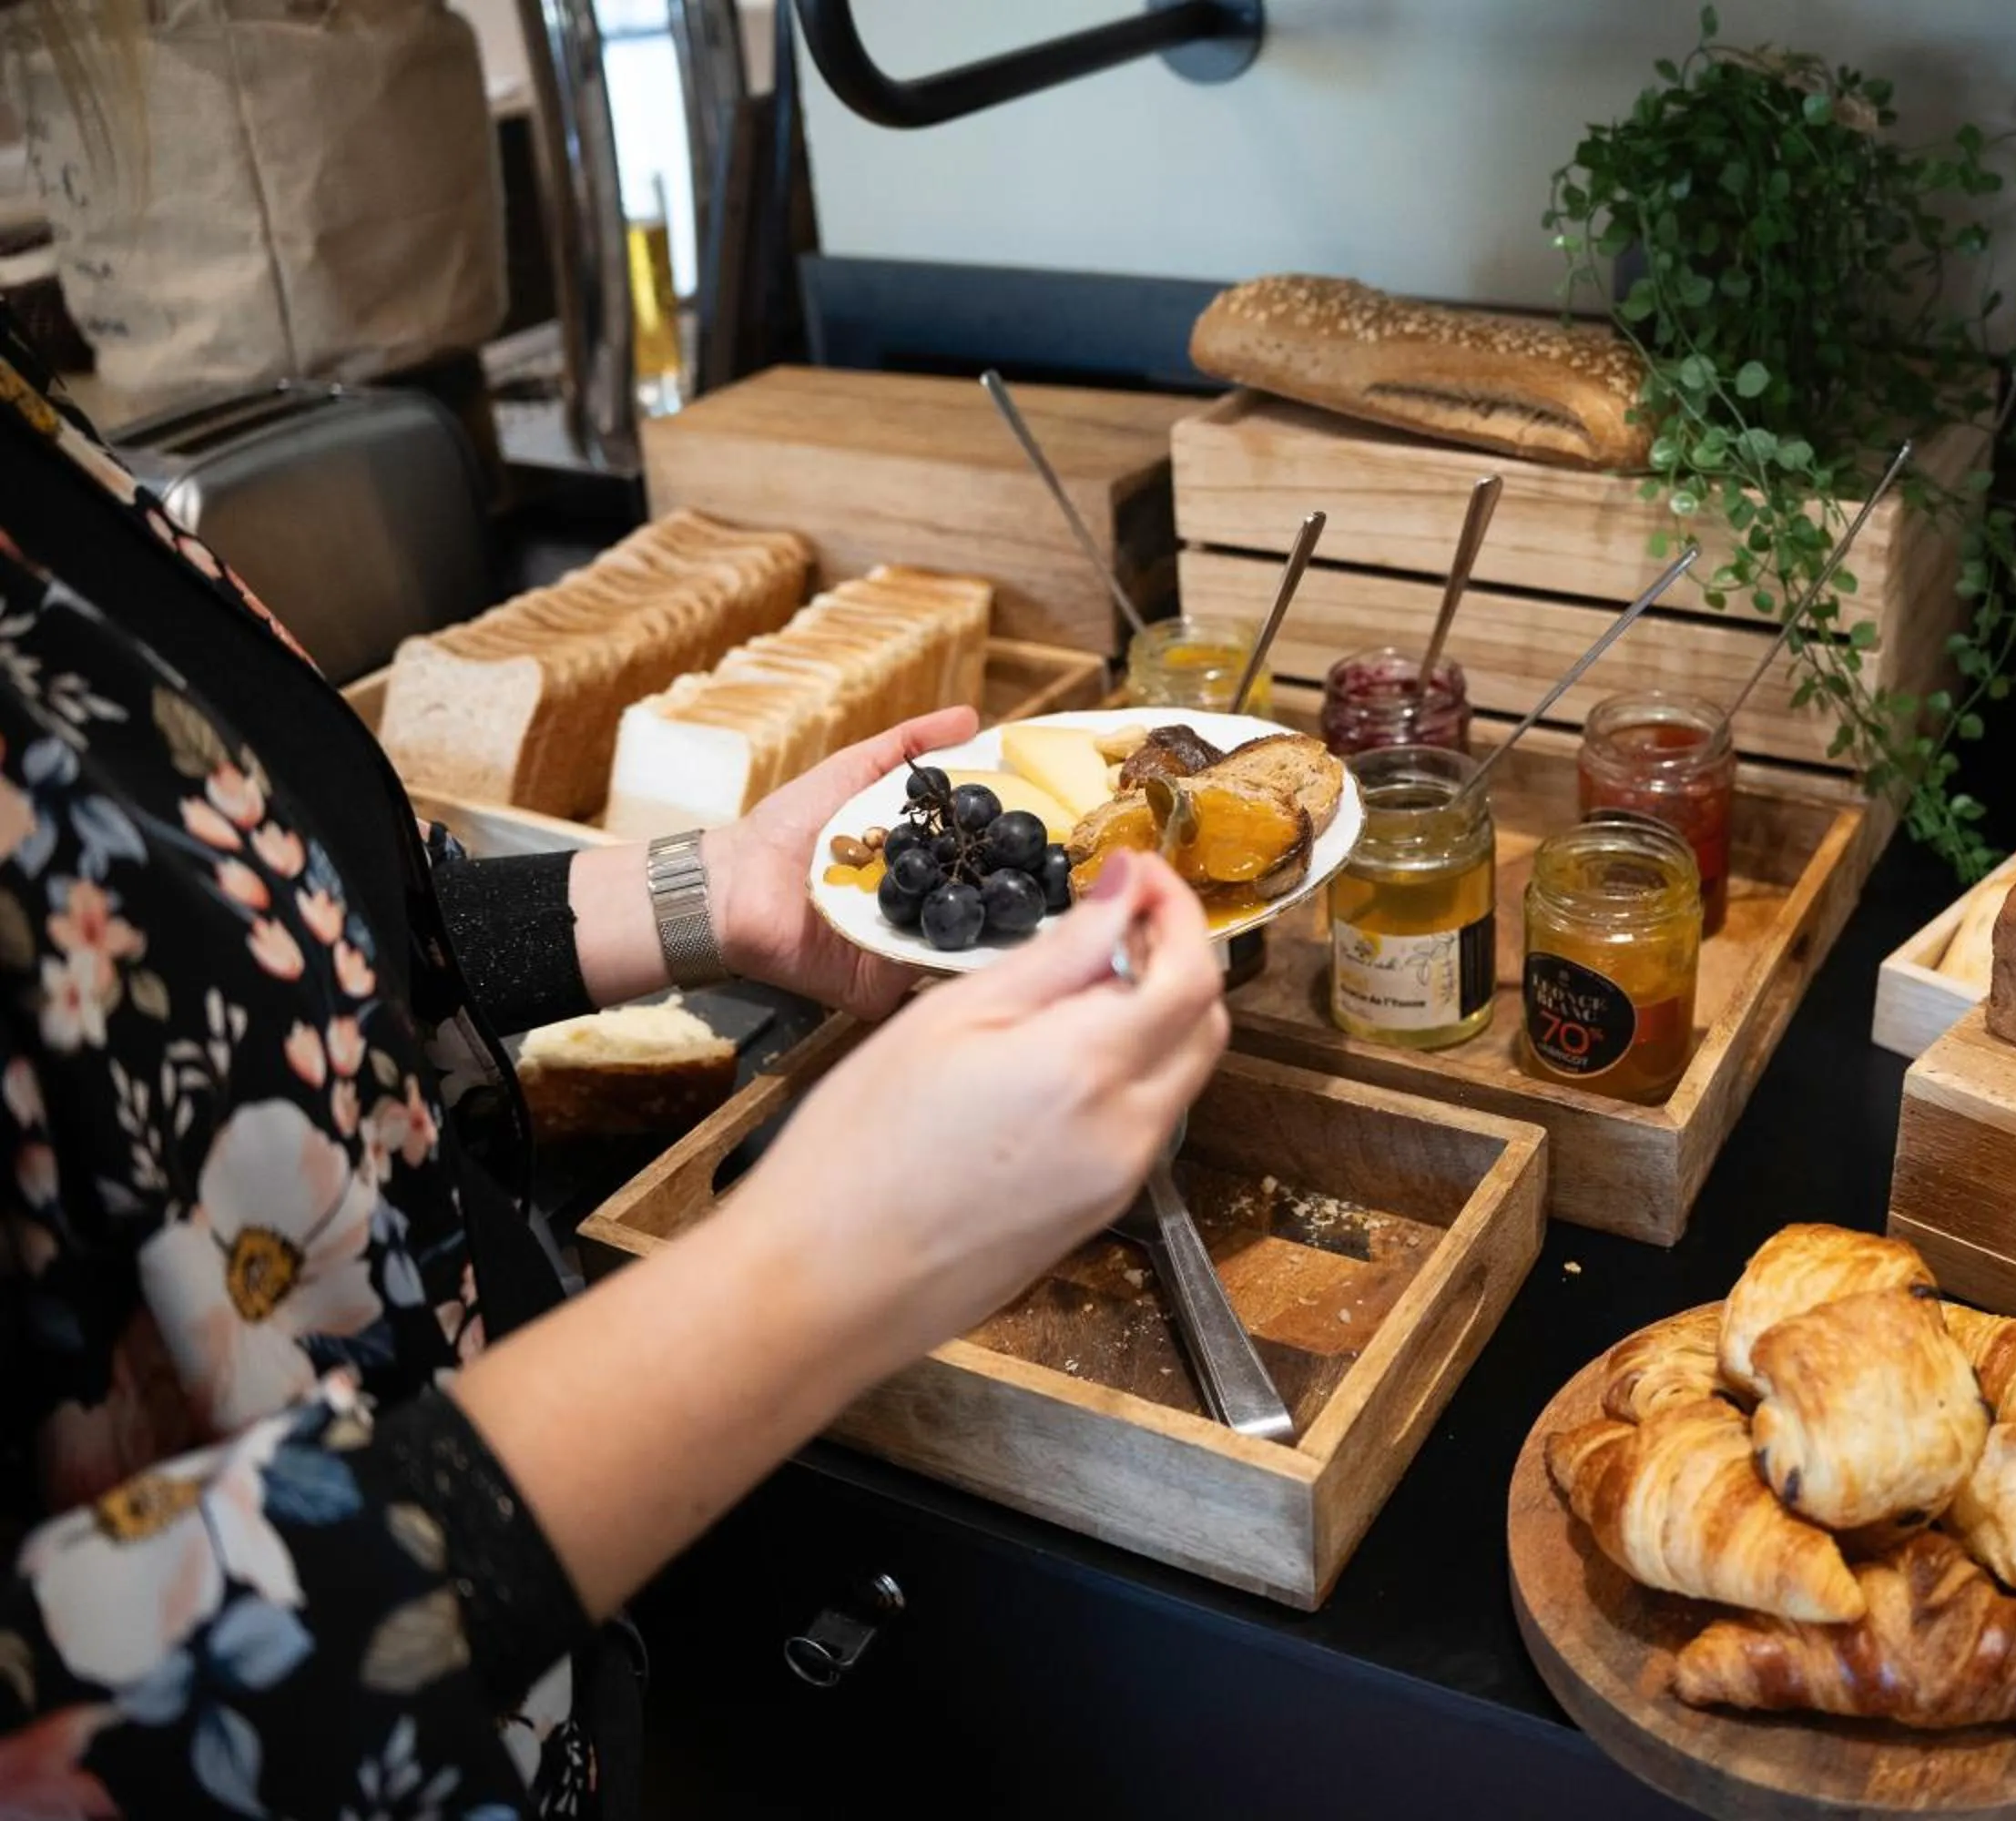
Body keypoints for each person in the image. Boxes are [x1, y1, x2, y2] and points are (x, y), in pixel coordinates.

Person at [0, 290, 1231, 1816]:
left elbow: (267, 921)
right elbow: (80, 1724)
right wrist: (825, 1264)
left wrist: (710, 893)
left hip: (535, 1692)